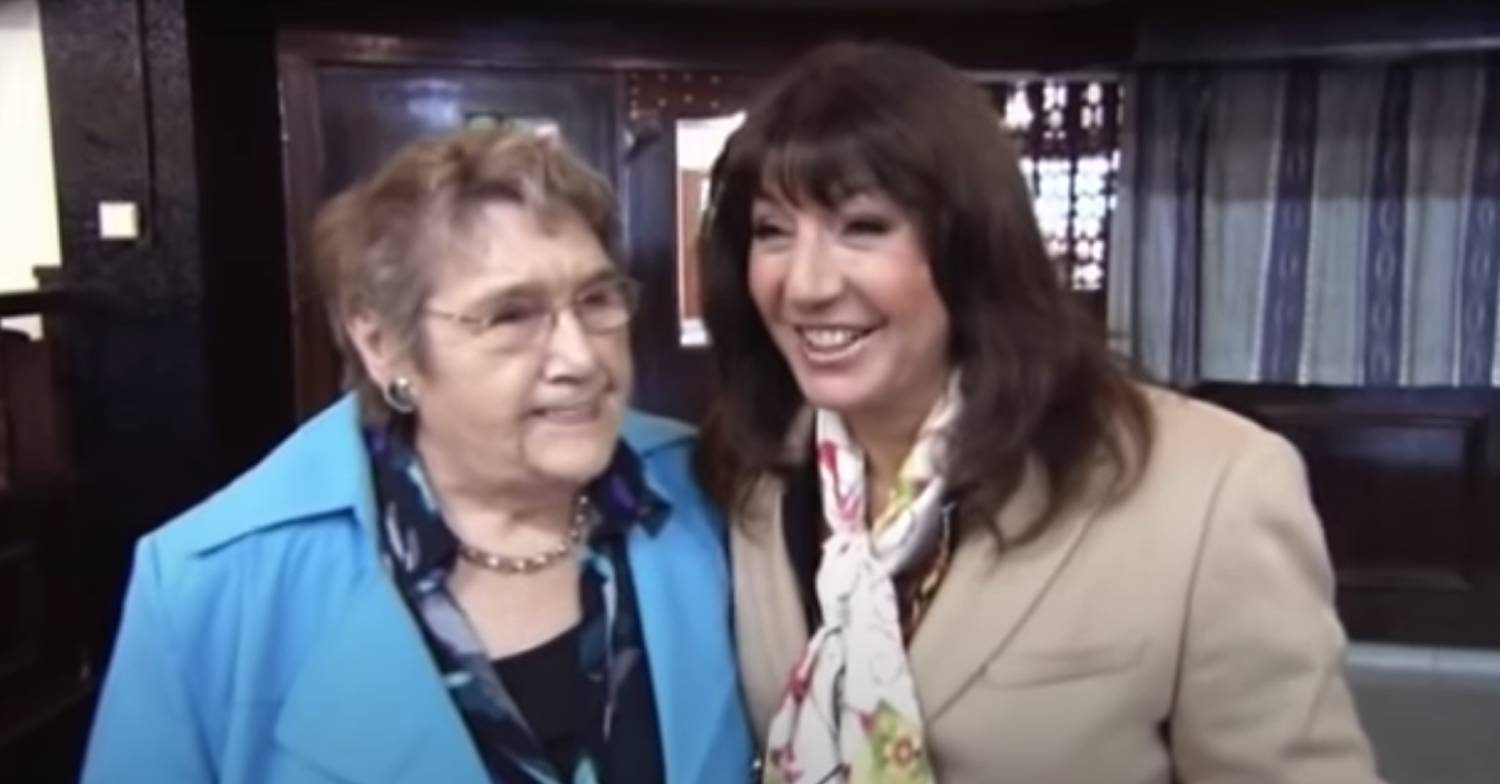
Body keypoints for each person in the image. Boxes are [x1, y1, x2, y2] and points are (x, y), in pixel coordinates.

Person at [696, 41, 1383, 783]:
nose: (805, 285)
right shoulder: (752, 475)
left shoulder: (1212, 486)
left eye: (862, 226)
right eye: (772, 232)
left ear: (974, 244)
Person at [82, 127, 750, 783]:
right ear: (383, 345)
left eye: (596, 299)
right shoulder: (214, 583)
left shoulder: (706, 491)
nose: (580, 358)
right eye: (511, 315)